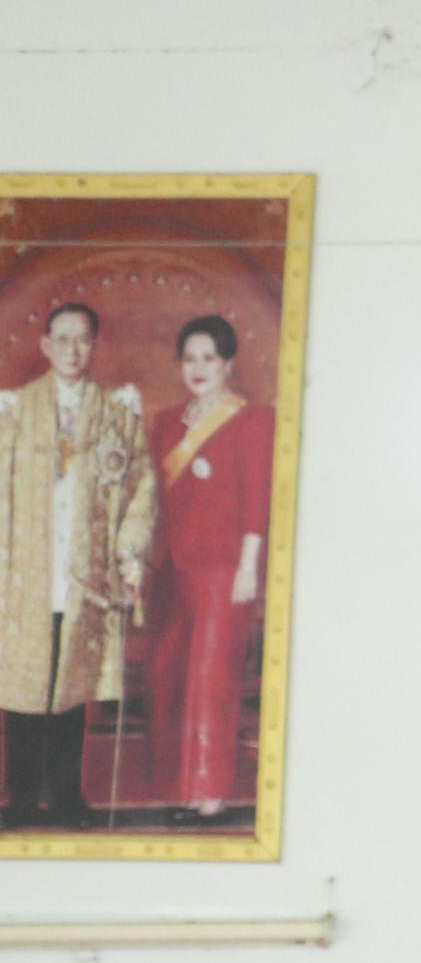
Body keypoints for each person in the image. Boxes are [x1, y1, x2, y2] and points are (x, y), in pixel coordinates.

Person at [0, 301, 156, 830]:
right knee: (24, 687)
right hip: (26, 569)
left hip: (83, 574)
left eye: (82, 339)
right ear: (45, 345)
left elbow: (139, 490)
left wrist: (129, 555)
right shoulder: (15, 409)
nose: (72, 350)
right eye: (62, 339)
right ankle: (20, 795)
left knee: (70, 687)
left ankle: (65, 796)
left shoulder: (116, 412)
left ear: (94, 345)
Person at [141, 315, 273, 819]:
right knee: (168, 673)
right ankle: (176, 781)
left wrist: (248, 566)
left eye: (209, 359)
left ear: (228, 364)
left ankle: (209, 789)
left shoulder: (252, 421)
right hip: (172, 567)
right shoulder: (168, 422)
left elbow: (256, 498)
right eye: (189, 358)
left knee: (211, 678)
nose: (198, 368)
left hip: (223, 569)